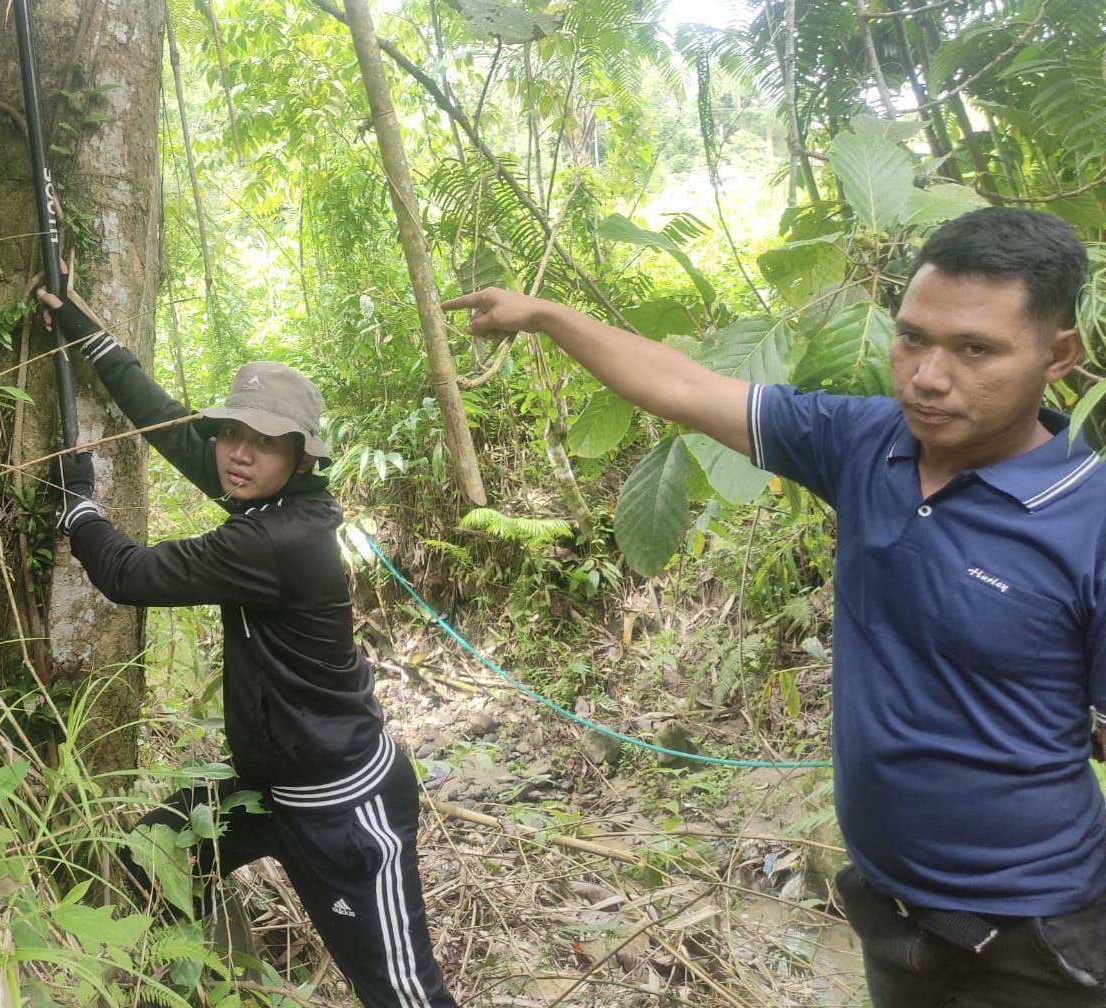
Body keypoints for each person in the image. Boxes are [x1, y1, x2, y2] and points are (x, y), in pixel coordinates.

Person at [443, 206, 1106, 1008]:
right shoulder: (866, 444)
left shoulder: (1090, 520)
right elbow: (683, 386)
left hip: (1034, 938)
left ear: (1058, 355)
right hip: (888, 914)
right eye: (912, 338)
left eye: (976, 349)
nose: (928, 376)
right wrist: (545, 315)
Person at [36, 282, 459, 1008]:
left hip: (344, 810)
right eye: (232, 432)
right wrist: (83, 328)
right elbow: (172, 427)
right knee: (155, 856)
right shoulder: (264, 494)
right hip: (267, 790)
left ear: (300, 457)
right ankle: (216, 985)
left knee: (403, 996)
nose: (239, 454)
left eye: (265, 442)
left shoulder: (278, 539)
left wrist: (79, 508)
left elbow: (129, 576)